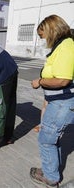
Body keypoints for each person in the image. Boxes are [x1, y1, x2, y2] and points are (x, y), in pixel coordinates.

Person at [30, 15, 74, 187]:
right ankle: (51, 169)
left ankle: (51, 177)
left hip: (62, 103)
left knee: (46, 140)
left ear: (51, 30)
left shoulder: (67, 46)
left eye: (43, 35)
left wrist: (39, 81)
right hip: (58, 102)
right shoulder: (63, 45)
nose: (43, 40)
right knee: (52, 138)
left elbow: (63, 80)